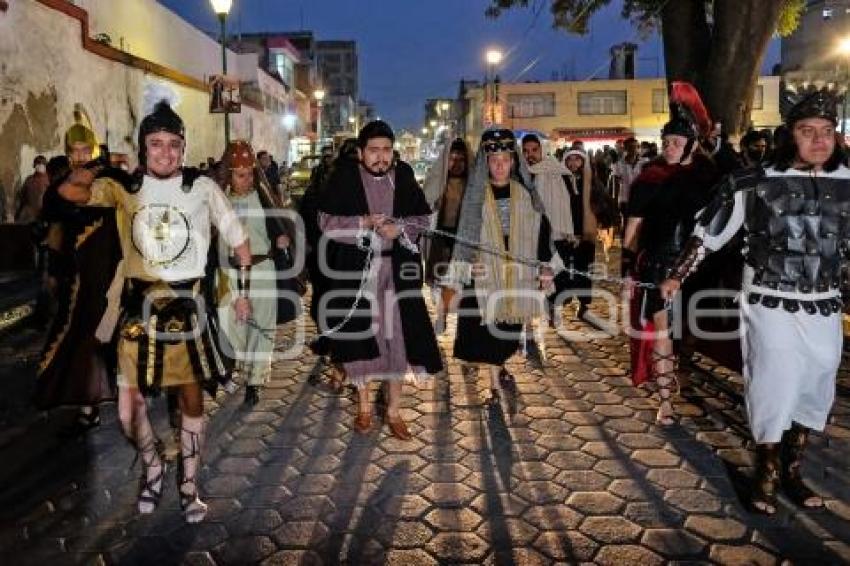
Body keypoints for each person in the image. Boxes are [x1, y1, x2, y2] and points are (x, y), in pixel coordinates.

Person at [57, 101, 251, 523]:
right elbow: (69, 193)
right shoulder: (122, 186)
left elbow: (239, 240)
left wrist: (241, 290)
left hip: (189, 305)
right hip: (138, 309)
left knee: (191, 399)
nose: (165, 152)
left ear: (183, 148)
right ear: (143, 147)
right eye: (156, 144)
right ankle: (153, 464)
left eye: (173, 145)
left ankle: (189, 484)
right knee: (128, 410)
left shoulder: (201, 186)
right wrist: (95, 165)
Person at [659, 89, 846, 515]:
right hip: (769, 303)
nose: (819, 139)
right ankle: (766, 472)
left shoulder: (847, 181)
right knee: (774, 382)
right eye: (807, 131)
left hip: (825, 304)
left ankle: (792, 469)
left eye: (826, 131)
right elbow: (709, 233)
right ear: (788, 136)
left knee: (815, 385)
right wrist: (676, 275)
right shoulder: (754, 181)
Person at [318, 120, 442, 439]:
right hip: (359, 277)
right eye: (373, 150)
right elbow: (327, 222)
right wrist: (363, 223)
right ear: (361, 153)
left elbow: (424, 218)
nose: (380, 157)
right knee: (362, 341)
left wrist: (399, 228)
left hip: (398, 275)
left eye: (386, 150)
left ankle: (394, 411)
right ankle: (362, 408)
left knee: (398, 340)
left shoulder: (403, 177)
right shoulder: (345, 179)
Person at [622, 82, 720, 426]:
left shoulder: (708, 177)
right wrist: (627, 269)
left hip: (698, 266)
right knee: (662, 332)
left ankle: (684, 373)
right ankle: (666, 401)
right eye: (666, 142)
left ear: (691, 144)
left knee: (690, 333)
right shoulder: (649, 178)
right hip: (657, 264)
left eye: (676, 142)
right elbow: (633, 226)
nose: (669, 147)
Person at [450, 129, 556, 401]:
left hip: (517, 276)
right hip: (485, 275)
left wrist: (545, 267)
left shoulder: (525, 194)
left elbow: (542, 232)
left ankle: (498, 373)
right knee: (487, 334)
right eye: (493, 159)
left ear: (513, 161)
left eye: (505, 159)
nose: (499, 165)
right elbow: (465, 233)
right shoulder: (476, 197)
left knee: (508, 334)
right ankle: (494, 383)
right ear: (485, 162)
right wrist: (464, 267)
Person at [36, 124, 123, 435]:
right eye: (75, 151)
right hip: (76, 274)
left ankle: (101, 403)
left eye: (86, 151)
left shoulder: (108, 180)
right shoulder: (60, 186)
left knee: (103, 336)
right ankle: (87, 403)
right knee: (78, 335)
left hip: (107, 272)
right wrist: (52, 272)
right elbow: (53, 219)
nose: (80, 156)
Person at [216, 140, 297, 407]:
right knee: (229, 325)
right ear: (229, 174)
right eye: (240, 174)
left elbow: (278, 226)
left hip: (262, 269)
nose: (247, 179)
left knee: (262, 328)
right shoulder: (218, 200)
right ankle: (232, 367)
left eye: (250, 173)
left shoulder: (263, 196)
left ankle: (254, 382)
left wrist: (281, 239)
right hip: (228, 273)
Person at [299, 139, 358, 392]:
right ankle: (336, 353)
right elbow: (308, 218)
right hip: (327, 256)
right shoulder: (324, 188)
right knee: (329, 304)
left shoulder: (362, 186)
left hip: (345, 258)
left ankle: (344, 360)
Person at [520, 134, 575, 329]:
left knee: (555, 274)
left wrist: (567, 230)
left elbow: (565, 203)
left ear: (542, 150)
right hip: (530, 232)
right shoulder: (520, 173)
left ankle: (553, 307)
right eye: (526, 151)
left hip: (556, 231)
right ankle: (527, 320)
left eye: (534, 150)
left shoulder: (554, 170)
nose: (530, 155)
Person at [422, 138, 471, 332]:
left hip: (464, 238)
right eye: (452, 159)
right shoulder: (437, 181)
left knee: (460, 280)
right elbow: (426, 204)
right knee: (442, 279)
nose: (456, 164)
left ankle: (461, 323)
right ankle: (441, 316)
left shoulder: (472, 185)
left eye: (461, 159)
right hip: (441, 237)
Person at [553, 148, 599, 321]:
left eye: (577, 160)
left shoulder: (591, 181)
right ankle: (560, 302)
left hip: (586, 232)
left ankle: (584, 304)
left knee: (584, 268)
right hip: (565, 231)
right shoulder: (558, 180)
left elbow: (598, 205)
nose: (573, 163)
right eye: (569, 159)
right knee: (562, 267)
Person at [611, 137, 644, 225]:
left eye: (635, 147)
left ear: (638, 148)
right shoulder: (618, 165)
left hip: (640, 198)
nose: (633, 149)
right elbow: (616, 184)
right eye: (630, 147)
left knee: (640, 224)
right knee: (626, 223)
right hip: (625, 199)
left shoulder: (644, 163)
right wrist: (615, 201)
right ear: (625, 148)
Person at [16, 155, 49, 224]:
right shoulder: (29, 180)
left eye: (42, 163)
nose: (40, 165)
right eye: (38, 163)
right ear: (34, 165)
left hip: (44, 216)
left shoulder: (49, 180)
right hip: (29, 216)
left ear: (45, 165)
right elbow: (22, 197)